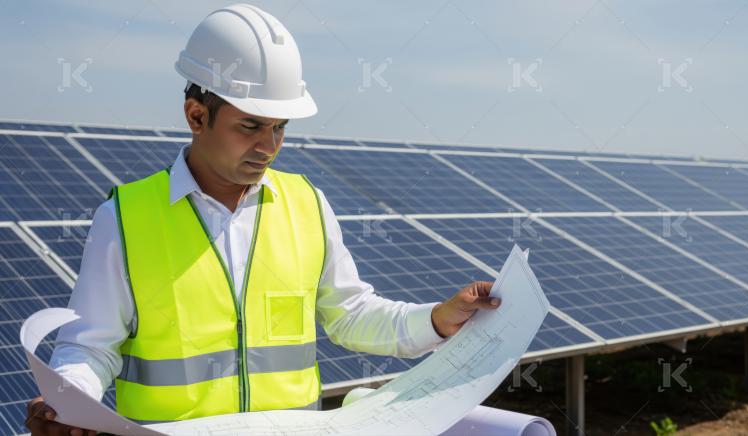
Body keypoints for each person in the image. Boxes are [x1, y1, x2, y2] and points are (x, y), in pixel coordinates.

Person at [25, 4, 500, 435]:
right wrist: (68, 401)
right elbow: (89, 347)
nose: (268, 146)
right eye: (250, 126)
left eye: (279, 128)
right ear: (196, 116)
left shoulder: (307, 204)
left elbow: (352, 316)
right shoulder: (125, 217)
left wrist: (436, 320)